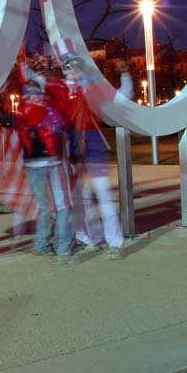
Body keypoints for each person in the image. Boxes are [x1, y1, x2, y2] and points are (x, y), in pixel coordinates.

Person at [54, 39, 132, 260]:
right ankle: (88, 238)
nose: (71, 70)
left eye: (74, 65)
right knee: (81, 201)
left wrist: (125, 75)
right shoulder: (62, 93)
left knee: (104, 199)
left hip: (94, 151)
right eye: (67, 66)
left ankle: (114, 243)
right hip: (75, 155)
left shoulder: (93, 90)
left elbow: (122, 98)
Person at [16, 52, 74, 261]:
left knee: (44, 206)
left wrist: (23, 59)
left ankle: (42, 244)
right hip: (53, 162)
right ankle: (63, 247)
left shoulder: (22, 110)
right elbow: (61, 129)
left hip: (33, 165)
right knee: (62, 205)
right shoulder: (51, 107)